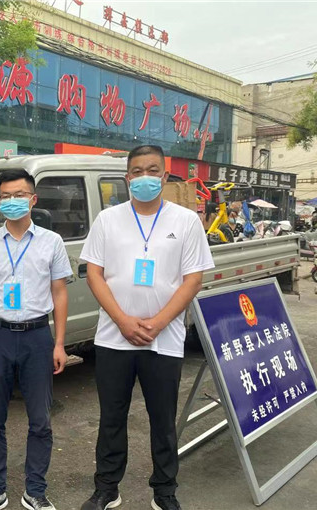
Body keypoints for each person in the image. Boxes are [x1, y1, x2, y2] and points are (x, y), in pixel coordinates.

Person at [79, 145, 214, 510]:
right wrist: (123, 321)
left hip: (164, 340)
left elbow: (193, 279)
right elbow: (94, 274)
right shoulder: (108, 220)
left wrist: (157, 323)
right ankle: (107, 488)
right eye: (137, 171)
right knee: (111, 418)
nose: (144, 178)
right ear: (127, 178)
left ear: (164, 176)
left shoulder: (185, 221)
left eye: (152, 171)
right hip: (114, 338)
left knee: (163, 420)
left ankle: (164, 491)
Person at [0, 169, 73, 510]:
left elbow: (59, 293)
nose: (11, 201)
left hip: (37, 337)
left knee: (40, 420)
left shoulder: (51, 242)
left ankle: (35, 491)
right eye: (5, 196)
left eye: (19, 195)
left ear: (33, 199)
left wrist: (59, 343)